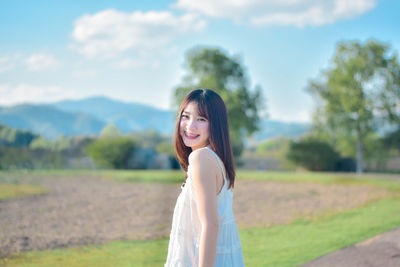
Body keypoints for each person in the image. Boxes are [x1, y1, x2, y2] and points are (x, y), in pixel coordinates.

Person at [165, 89, 245, 266]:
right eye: (186, 116)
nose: (190, 126)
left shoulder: (202, 158)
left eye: (201, 119)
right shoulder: (213, 158)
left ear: (215, 124)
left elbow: (211, 225)